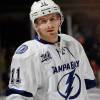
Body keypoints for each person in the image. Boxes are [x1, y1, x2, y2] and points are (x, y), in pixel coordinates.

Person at [6, 0, 96, 100]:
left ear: (59, 20)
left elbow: (88, 85)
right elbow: (18, 95)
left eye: (53, 19)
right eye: (43, 21)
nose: (50, 25)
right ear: (36, 25)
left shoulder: (72, 43)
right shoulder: (28, 53)